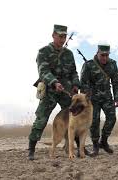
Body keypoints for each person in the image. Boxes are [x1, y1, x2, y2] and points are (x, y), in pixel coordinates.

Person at [28, 24, 80, 160]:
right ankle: (31, 149)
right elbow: (43, 71)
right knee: (41, 118)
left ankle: (77, 146)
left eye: (64, 36)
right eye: (60, 36)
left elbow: (74, 72)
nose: (62, 39)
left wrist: (75, 85)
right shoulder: (43, 51)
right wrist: (54, 82)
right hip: (50, 90)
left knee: (74, 116)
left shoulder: (68, 54)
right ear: (53, 35)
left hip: (66, 91)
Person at [80, 44, 118, 156]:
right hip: (93, 98)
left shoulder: (112, 64)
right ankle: (95, 144)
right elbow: (83, 84)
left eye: (107, 55)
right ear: (97, 53)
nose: (104, 58)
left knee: (112, 118)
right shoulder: (88, 65)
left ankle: (103, 141)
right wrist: (85, 100)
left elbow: (116, 82)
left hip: (107, 96)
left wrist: (117, 98)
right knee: (94, 121)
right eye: (102, 55)